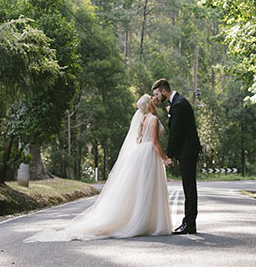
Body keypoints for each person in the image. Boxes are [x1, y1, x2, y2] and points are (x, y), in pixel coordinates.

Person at [24, 94, 172, 242]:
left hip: (142, 153)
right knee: (147, 188)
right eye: (151, 98)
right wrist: (164, 159)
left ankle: (145, 220)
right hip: (148, 154)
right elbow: (155, 143)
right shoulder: (153, 119)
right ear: (149, 104)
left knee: (143, 189)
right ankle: (143, 222)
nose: (154, 98)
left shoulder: (145, 119)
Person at [152, 78, 201, 235]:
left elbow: (175, 133)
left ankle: (190, 224)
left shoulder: (179, 105)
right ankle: (187, 222)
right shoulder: (177, 103)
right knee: (188, 187)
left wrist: (170, 156)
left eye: (157, 94)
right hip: (186, 150)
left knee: (189, 188)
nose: (157, 97)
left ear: (164, 91)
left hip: (188, 150)